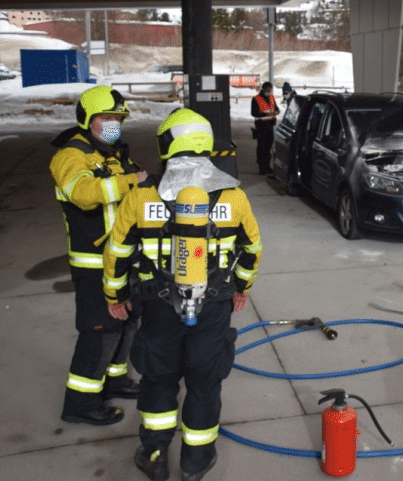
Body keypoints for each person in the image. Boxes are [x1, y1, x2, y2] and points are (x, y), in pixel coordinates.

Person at [103, 108, 261, 481]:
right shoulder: (233, 196)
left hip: (158, 306)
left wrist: (115, 295)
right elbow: (252, 250)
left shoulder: (141, 196)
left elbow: (117, 252)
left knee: (159, 378)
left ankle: (155, 455)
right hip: (213, 305)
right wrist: (242, 288)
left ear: (167, 144)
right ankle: (196, 461)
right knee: (205, 381)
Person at [51, 85, 146, 426]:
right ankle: (81, 403)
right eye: (106, 117)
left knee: (127, 322)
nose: (113, 123)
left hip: (123, 258)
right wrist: (129, 181)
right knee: (100, 330)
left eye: (118, 118)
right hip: (93, 262)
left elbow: (137, 187)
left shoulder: (115, 154)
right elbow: (83, 193)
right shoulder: (70, 156)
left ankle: (115, 380)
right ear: (88, 119)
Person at [251, 81, 280, 176]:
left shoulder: (271, 98)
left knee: (268, 147)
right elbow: (253, 113)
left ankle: (267, 166)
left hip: (270, 125)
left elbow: (277, 108)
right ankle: (261, 167)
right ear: (263, 89)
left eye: (270, 90)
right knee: (261, 147)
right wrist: (266, 114)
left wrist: (276, 111)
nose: (269, 92)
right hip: (261, 126)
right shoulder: (256, 99)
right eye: (268, 90)